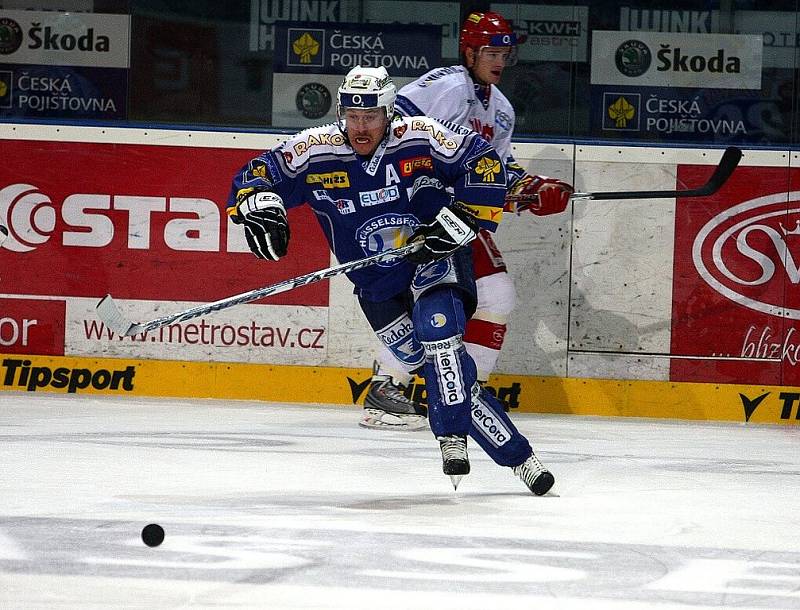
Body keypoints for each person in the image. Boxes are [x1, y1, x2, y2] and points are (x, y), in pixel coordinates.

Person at [227, 65, 555, 495]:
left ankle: (453, 440)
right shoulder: (316, 149)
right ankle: (520, 457)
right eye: (352, 116)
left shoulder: (421, 134)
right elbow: (259, 172)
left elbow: (483, 161)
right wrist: (260, 201)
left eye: (370, 117)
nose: (360, 127)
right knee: (441, 372)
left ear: (389, 113)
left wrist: (465, 216)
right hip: (374, 284)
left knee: (439, 336)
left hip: (433, 259)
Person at [360, 11, 574, 431]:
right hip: (416, 209)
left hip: (457, 218)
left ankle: (456, 392)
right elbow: (393, 126)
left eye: (505, 54)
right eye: (491, 51)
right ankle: (399, 387)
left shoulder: (503, 110)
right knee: (478, 292)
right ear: (470, 50)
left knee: (493, 295)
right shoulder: (446, 85)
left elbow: (499, 168)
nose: (499, 61)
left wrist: (532, 189)